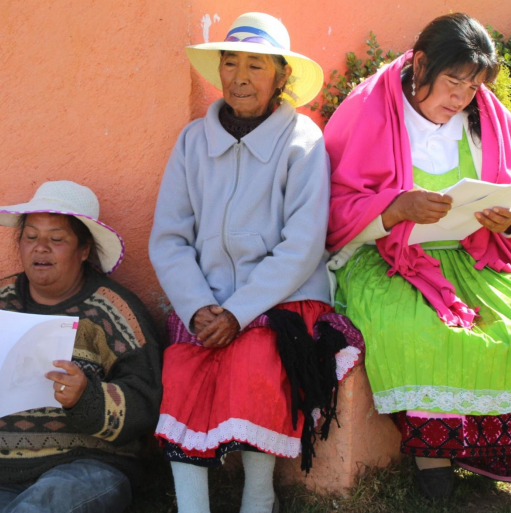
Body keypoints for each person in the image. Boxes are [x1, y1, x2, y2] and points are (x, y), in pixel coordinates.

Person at [325, 13, 511, 513]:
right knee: (412, 325)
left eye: (473, 86)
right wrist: (394, 211)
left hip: (472, 253)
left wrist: (509, 221)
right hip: (383, 256)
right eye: (453, 81)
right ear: (420, 64)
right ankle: (432, 452)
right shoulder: (367, 109)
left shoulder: (486, 115)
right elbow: (332, 208)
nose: (461, 97)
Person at [150, 12, 364, 513]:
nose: (240, 77)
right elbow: (170, 238)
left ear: (281, 77)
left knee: (256, 363)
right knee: (182, 369)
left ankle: (259, 496)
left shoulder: (302, 141)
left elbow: (302, 245)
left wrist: (238, 312)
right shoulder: (192, 142)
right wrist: (198, 307)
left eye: (256, 65)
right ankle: (192, 506)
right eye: (230, 63)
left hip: (279, 300)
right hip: (205, 302)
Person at [0, 180, 162, 513]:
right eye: (31, 237)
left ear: (84, 250)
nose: (40, 248)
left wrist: (85, 397)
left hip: (88, 468)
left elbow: (145, 402)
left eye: (56, 239)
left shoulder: (113, 311)